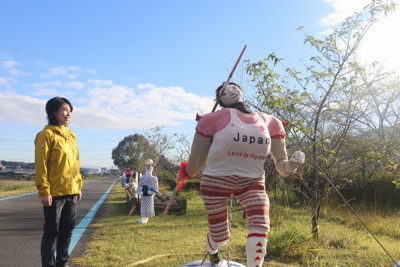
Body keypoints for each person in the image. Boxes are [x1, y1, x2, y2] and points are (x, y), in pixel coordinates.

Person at [176, 82, 305, 267]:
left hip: (252, 182)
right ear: (221, 101)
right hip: (216, 180)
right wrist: (182, 174)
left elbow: (282, 167)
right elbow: (195, 164)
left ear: (242, 92)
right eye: (223, 92)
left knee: (261, 226)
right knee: (221, 237)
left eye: (234, 87)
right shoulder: (211, 120)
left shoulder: (270, 122)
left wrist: (293, 164)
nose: (231, 90)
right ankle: (213, 251)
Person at [35, 97, 83, 267]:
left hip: (71, 191)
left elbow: (75, 163)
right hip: (54, 193)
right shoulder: (46, 135)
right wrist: (44, 191)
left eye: (70, 111)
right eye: (64, 110)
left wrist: (78, 185)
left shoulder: (71, 136)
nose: (68, 114)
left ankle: (62, 263)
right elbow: (41, 166)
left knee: (67, 230)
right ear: (54, 112)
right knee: (51, 232)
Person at [136, 159, 159, 224]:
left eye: (149, 166)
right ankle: (143, 219)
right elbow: (139, 186)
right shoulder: (142, 178)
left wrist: (151, 192)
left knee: (149, 206)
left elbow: (156, 188)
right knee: (143, 206)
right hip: (143, 194)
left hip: (149, 195)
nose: (148, 167)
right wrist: (139, 192)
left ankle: (146, 219)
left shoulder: (154, 178)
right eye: (146, 165)